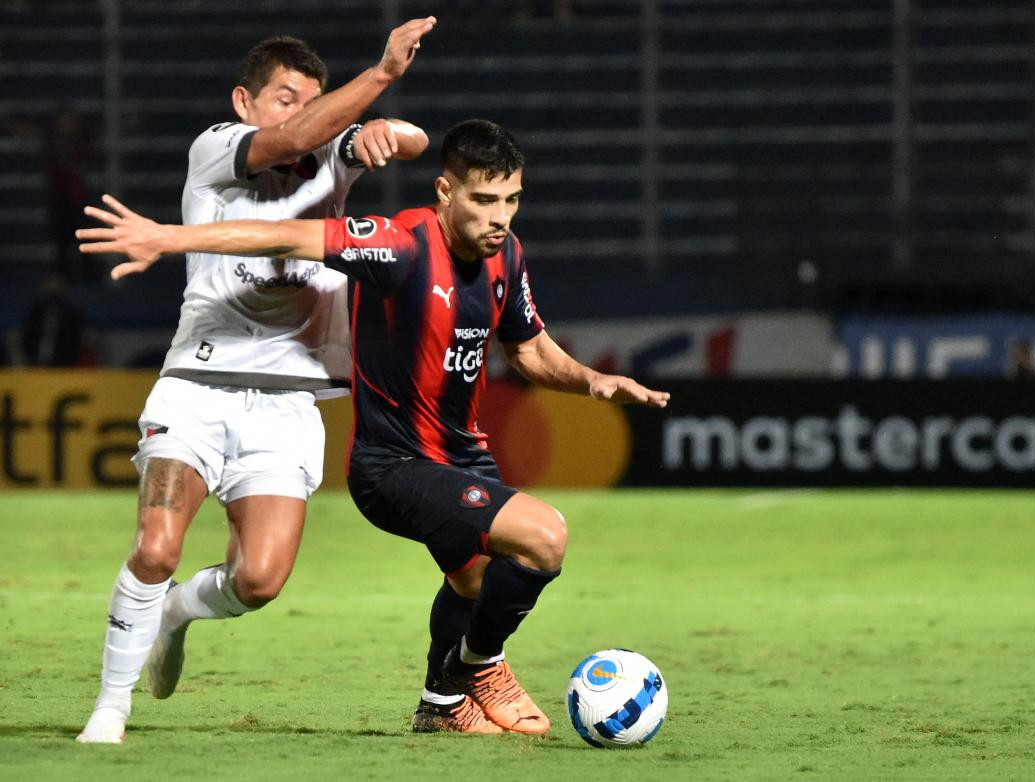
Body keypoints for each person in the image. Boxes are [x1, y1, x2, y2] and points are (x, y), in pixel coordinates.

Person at [77, 119, 670, 736]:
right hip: (394, 467)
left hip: (462, 455)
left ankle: (439, 707)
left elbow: (527, 349)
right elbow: (282, 236)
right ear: (445, 192)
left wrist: (591, 380)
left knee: (473, 580)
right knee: (545, 537)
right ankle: (480, 665)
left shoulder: (507, 255)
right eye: (484, 199)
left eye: (512, 200)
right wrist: (169, 238)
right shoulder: (398, 245)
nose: (501, 216)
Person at [75, 16, 437, 744]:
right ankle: (110, 709)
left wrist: (385, 134)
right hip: (196, 389)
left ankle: (176, 613)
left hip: (288, 404)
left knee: (260, 580)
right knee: (155, 546)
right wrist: (381, 77)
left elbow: (415, 141)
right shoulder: (216, 150)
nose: (299, 111)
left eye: (312, 99)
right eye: (283, 96)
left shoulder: (332, 152)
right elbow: (293, 140)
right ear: (244, 102)